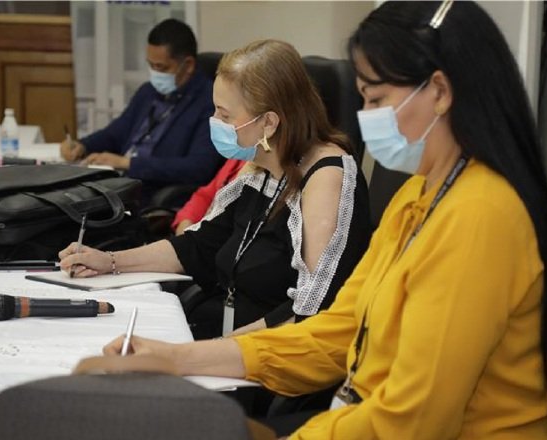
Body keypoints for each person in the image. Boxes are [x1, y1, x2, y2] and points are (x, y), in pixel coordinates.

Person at [74, 1, 547, 438]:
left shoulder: (481, 217)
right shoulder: (420, 194)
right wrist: (176, 359)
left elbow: (411, 422)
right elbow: (339, 330)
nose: (366, 114)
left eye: (375, 99)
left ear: (438, 91)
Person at [60, 39, 372, 340]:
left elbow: (312, 306)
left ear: (269, 124)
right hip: (226, 336)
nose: (214, 122)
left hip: (271, 361)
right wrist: (110, 261)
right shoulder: (262, 168)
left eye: (224, 115)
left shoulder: (327, 177)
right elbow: (199, 246)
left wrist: (217, 352)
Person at [60, 18, 223, 205]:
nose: (154, 73)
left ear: (188, 65)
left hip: (150, 193)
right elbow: (116, 133)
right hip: (118, 183)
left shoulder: (210, 102)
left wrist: (128, 163)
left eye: (161, 67)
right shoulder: (148, 91)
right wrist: (82, 145)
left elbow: (198, 168)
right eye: (150, 65)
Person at [171, 158, 246, 236]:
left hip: (224, 237)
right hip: (200, 232)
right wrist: (186, 221)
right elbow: (205, 195)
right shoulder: (236, 158)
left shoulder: (255, 170)